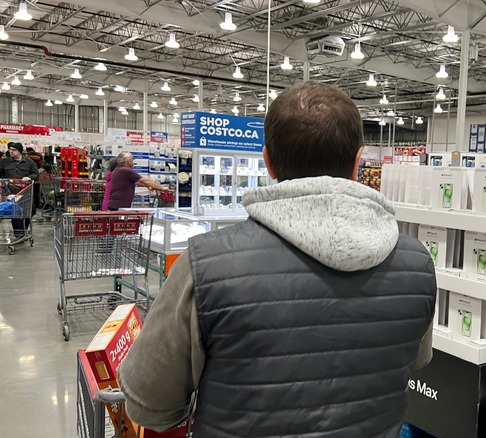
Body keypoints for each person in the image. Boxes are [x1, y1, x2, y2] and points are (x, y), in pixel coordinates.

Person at [119, 82, 437, 437]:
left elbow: (150, 404)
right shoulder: (418, 264)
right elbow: (417, 360)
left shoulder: (204, 265)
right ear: (358, 161)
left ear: (267, 161)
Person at [0, 142, 39, 236]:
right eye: (10, 149)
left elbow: (36, 174)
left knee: (30, 211)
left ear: (20, 151)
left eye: (14, 150)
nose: (11, 151)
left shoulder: (29, 162)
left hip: (26, 193)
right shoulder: (5, 162)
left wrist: (29, 177)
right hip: (10, 193)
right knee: (15, 213)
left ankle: (23, 229)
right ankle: (19, 233)